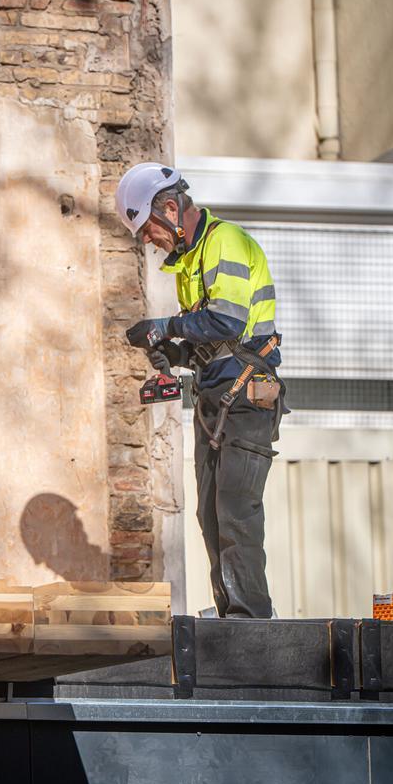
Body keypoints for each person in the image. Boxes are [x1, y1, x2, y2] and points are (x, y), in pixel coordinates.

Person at [115, 163, 285, 619]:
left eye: (148, 230)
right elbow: (215, 339)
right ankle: (232, 615)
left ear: (170, 208)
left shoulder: (223, 241)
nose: (148, 241)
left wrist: (164, 327)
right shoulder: (189, 262)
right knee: (210, 516)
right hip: (218, 397)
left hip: (248, 398)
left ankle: (251, 623)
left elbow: (228, 321)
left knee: (235, 510)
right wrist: (177, 353)